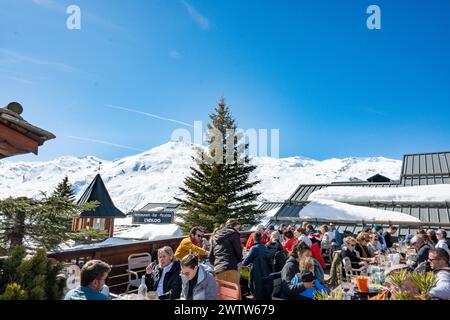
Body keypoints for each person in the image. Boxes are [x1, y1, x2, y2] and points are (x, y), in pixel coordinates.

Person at [209, 219, 243, 287]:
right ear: (234, 226)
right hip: (230, 268)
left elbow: (211, 256)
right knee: (233, 295)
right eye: (238, 228)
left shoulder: (215, 235)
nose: (238, 230)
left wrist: (217, 264)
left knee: (221, 296)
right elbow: (239, 252)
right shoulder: (234, 234)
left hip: (217, 269)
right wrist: (238, 261)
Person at [242, 232, 273, 300]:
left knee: (257, 292)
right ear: (261, 239)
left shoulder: (254, 248)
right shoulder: (265, 247)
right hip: (265, 274)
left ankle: (245, 293)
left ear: (253, 238)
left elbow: (245, 262)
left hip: (257, 275)